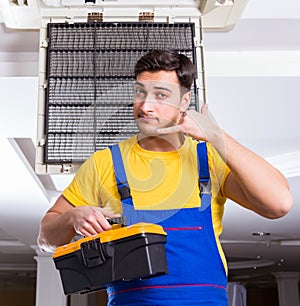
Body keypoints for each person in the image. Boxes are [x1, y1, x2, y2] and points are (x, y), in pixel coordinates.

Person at [37, 50, 293, 305]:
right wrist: (72, 216)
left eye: (161, 95)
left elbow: (279, 203)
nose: (146, 106)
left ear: (184, 102)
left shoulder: (209, 158)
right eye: (140, 92)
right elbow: (46, 239)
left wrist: (217, 136)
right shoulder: (105, 163)